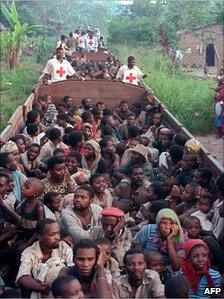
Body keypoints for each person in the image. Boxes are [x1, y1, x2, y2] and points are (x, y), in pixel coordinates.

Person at [16, 219, 73, 298]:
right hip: (41, 291)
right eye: (52, 234)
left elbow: (72, 267)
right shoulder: (29, 252)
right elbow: (23, 277)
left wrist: (56, 283)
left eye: (58, 233)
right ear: (40, 237)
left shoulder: (63, 246)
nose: (57, 237)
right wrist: (46, 289)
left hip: (61, 289)